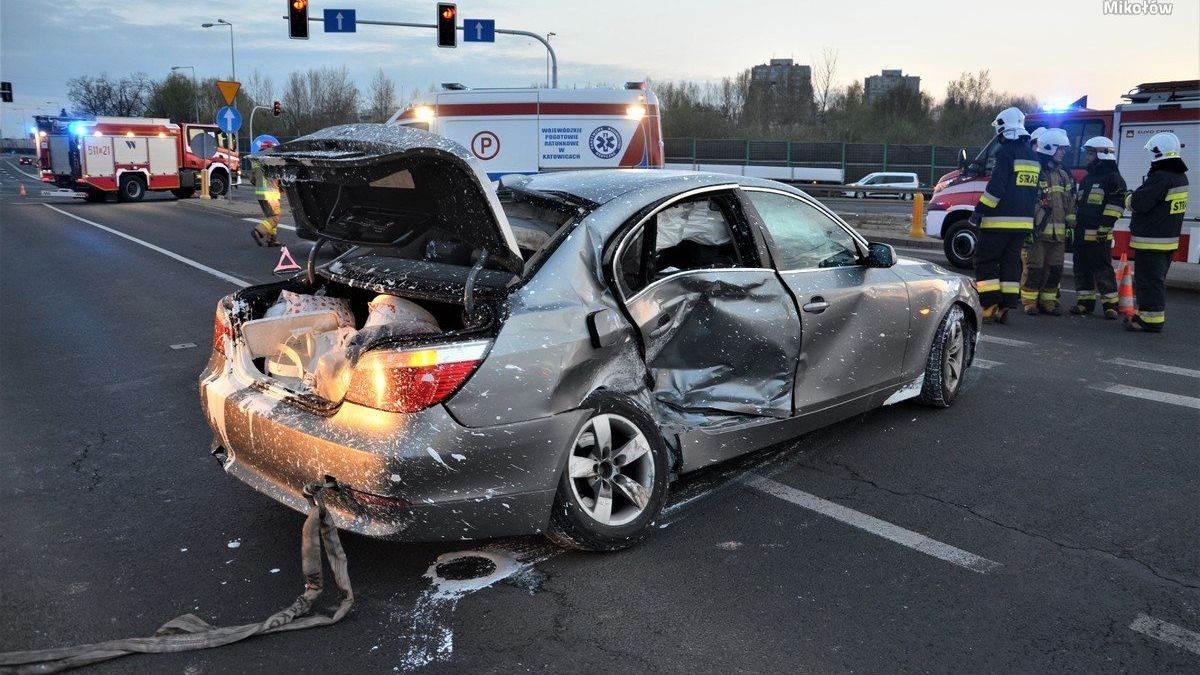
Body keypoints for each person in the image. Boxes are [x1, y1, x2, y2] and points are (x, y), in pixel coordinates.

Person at [970, 107, 1040, 323]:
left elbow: (997, 188)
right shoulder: (1032, 155)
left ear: (1003, 128)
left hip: (998, 221)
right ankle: (1006, 306)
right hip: (1023, 224)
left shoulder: (1006, 153)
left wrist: (979, 210)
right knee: (1011, 263)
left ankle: (989, 304)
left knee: (985, 260)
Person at [1126, 132, 1188, 332]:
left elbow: (1139, 203)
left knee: (1148, 282)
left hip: (1151, 241)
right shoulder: (1180, 177)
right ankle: (1145, 315)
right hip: (1167, 241)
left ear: (1158, 152)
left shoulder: (1161, 178)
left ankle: (1151, 321)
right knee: (1154, 281)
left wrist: (1128, 197)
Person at [1070, 137, 1126, 318]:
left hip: (1099, 236)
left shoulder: (1114, 179)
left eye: (1091, 153)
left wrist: (1105, 227)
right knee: (1081, 269)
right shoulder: (1087, 179)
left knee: (1103, 270)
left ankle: (1111, 306)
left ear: (1103, 153)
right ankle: (1084, 303)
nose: (1087, 157)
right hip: (1080, 235)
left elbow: (1116, 205)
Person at [1021, 128, 1075, 315]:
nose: (1062, 152)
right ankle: (1029, 301)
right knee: (1034, 269)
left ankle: (1048, 302)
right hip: (1038, 233)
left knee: (1054, 270)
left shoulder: (1063, 175)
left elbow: (1069, 202)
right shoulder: (1035, 172)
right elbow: (1026, 201)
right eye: (1060, 149)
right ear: (1049, 148)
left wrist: (1071, 225)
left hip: (1058, 235)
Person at [251, 139, 282, 247]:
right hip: (271, 193)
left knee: (271, 216)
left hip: (260, 194)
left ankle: (272, 239)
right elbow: (279, 177)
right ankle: (258, 231)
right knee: (275, 217)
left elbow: (252, 179)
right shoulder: (272, 159)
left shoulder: (256, 160)